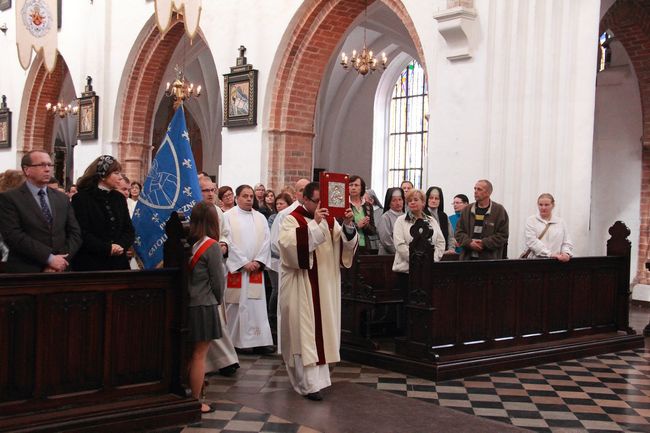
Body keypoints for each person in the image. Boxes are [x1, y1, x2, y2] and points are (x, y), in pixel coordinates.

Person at [278, 181, 358, 401]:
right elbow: (289, 249)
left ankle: (319, 381)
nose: (321, 206)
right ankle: (307, 384)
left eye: (324, 202)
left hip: (325, 287)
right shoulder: (291, 219)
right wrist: (315, 224)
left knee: (320, 335)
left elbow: (346, 247)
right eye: (316, 202)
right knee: (304, 335)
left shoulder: (331, 221)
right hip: (300, 286)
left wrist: (349, 226)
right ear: (304, 199)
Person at [0, 150, 82, 273]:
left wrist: (60, 260)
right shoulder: (10, 198)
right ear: (27, 170)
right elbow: (13, 235)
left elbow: (75, 233)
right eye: (42, 165)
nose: (47, 169)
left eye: (50, 165)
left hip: (62, 268)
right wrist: (49, 258)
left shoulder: (62, 198)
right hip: (27, 269)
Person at [223, 185, 274, 353]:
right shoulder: (228, 216)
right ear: (237, 198)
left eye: (251, 196)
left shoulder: (260, 218)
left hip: (254, 271)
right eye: (245, 196)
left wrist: (259, 261)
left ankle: (258, 342)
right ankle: (235, 343)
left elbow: (267, 240)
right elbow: (227, 240)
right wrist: (243, 262)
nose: (249, 199)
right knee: (235, 305)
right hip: (237, 270)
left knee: (256, 306)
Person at [199, 176, 240, 377]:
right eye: (205, 190)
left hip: (215, 267)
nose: (210, 194)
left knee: (215, 316)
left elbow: (225, 233)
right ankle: (224, 360)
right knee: (210, 317)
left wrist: (224, 244)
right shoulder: (193, 209)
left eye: (212, 190)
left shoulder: (216, 211)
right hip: (198, 271)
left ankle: (224, 360)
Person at [186, 202, 224, 414]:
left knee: (190, 353)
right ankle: (195, 400)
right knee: (200, 355)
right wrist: (218, 300)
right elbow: (218, 281)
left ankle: (189, 394)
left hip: (189, 303)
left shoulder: (188, 242)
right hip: (204, 304)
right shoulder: (212, 246)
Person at [71, 155, 135, 271]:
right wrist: (107, 248)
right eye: (116, 173)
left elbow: (128, 229)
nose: (120, 177)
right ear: (103, 175)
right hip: (91, 263)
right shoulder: (81, 198)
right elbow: (82, 232)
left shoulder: (119, 198)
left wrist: (121, 246)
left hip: (118, 263)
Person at [392, 189, 446, 276]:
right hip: (406, 270)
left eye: (416, 200)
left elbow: (440, 242)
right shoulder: (400, 221)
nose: (412, 202)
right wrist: (417, 260)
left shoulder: (431, 220)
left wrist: (432, 259)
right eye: (410, 201)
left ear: (423, 202)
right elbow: (400, 245)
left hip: (428, 269)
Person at [455, 179, 509, 261]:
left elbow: (503, 235)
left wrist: (484, 243)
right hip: (467, 260)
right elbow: (458, 232)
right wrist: (469, 243)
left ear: (488, 193)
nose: (475, 191)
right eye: (475, 189)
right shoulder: (467, 210)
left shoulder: (499, 211)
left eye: (479, 189)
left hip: (490, 261)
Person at [523, 193, 573, 261]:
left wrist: (566, 253)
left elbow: (566, 241)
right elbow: (531, 241)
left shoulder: (560, 222)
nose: (543, 207)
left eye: (546, 205)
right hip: (535, 262)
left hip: (556, 262)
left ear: (553, 205)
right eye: (540, 205)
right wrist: (550, 254)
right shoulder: (531, 220)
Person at [349, 175, 377, 253]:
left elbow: (373, 231)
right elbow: (340, 226)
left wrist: (366, 225)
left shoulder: (368, 206)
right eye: (351, 185)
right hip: (349, 247)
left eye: (356, 185)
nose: (353, 187)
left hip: (365, 247)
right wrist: (357, 226)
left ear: (362, 188)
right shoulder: (344, 205)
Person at [424, 186, 456, 253]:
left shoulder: (444, 216)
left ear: (440, 200)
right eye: (431, 198)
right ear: (427, 199)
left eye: (437, 198)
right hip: (427, 254)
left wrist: (451, 249)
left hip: (445, 253)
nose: (433, 200)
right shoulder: (422, 215)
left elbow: (451, 236)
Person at [377, 187, 405, 254]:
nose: (398, 203)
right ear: (389, 202)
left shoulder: (406, 216)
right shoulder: (385, 218)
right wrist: (400, 253)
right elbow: (386, 241)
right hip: (388, 257)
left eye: (400, 199)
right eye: (394, 200)